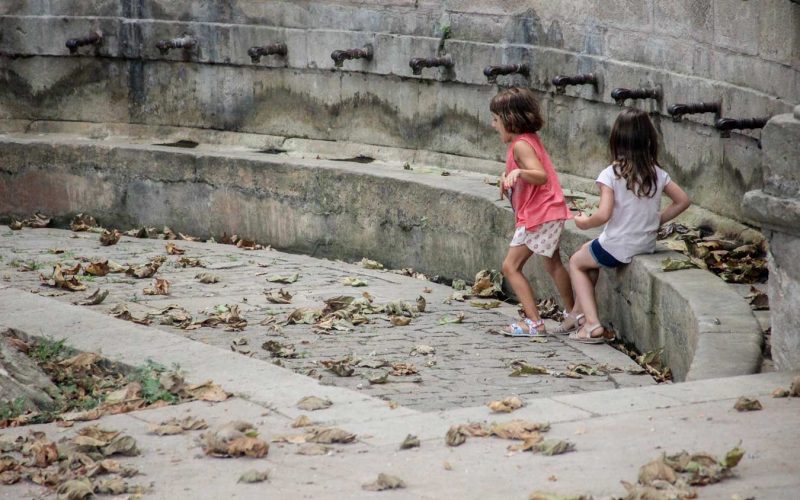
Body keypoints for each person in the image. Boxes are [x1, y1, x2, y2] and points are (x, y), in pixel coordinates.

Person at [567, 108, 691, 343]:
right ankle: (577, 314)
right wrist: (654, 222)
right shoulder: (657, 173)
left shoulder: (611, 174)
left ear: (616, 140)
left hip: (618, 247)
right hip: (645, 243)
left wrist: (584, 222)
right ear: (649, 140)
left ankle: (592, 324)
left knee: (576, 262)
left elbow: (603, 214)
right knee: (588, 254)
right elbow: (683, 201)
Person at [490, 87, 575, 337]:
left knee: (510, 267)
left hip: (540, 216)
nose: (493, 125)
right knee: (553, 263)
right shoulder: (527, 140)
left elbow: (540, 175)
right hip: (549, 211)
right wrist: (508, 177)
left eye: (496, 120)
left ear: (509, 120)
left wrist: (519, 173)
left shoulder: (521, 145)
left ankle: (534, 323)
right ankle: (575, 314)